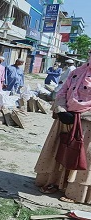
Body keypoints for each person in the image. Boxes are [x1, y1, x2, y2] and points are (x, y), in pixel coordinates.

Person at [34, 53, 91, 204]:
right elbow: (62, 91)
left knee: (82, 156)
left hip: (87, 124)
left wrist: (82, 114)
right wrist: (61, 109)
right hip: (66, 118)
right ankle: (55, 183)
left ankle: (76, 193)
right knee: (59, 151)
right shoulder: (77, 72)